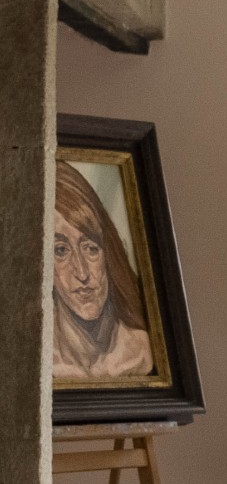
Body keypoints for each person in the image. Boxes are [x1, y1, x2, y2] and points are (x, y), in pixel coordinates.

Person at [52, 161, 154, 381]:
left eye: (90, 248)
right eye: (60, 250)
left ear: (109, 253)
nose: (82, 273)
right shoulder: (36, 363)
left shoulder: (142, 354)